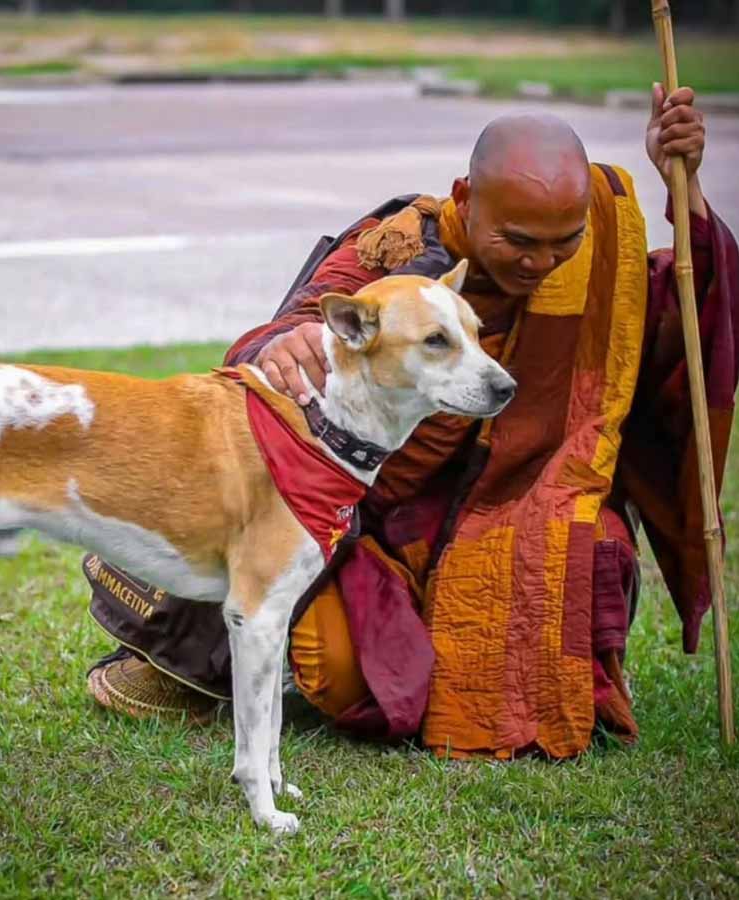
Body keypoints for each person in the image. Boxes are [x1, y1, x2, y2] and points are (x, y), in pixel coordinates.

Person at [83, 83, 738, 759]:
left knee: (587, 544)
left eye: (562, 243)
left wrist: (681, 189)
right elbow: (297, 328)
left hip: (513, 499)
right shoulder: (399, 251)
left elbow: (679, 326)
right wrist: (279, 347)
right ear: (466, 198)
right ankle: (212, 664)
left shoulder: (600, 243)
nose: (540, 263)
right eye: (517, 240)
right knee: (339, 668)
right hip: (376, 518)